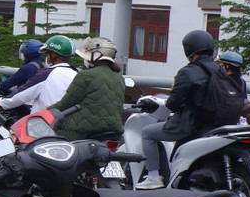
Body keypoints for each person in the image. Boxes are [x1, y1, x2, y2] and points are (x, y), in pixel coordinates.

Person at [137, 30, 225, 189]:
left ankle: (153, 177)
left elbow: (174, 104)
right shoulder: (220, 70)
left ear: (189, 49)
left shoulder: (188, 72)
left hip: (190, 125)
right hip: (216, 124)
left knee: (148, 133)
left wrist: (173, 92)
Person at [51, 37, 125, 141]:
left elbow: (65, 104)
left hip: (83, 131)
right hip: (113, 130)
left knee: (50, 137)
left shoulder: (86, 75)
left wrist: (44, 112)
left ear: (97, 55)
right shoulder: (119, 77)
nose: (86, 60)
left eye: (88, 56)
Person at [0, 35, 76, 115]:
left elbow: (22, 94)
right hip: (66, 120)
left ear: (53, 55)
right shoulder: (75, 74)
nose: (46, 57)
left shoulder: (46, 74)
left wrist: (1, 103)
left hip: (43, 121)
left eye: (47, 54)